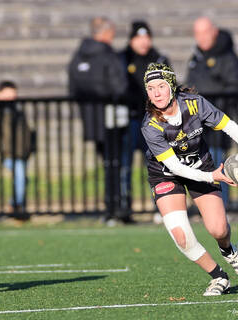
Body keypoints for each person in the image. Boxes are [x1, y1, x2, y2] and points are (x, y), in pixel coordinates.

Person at [141, 62, 238, 296]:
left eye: (161, 86)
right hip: (166, 175)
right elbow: (175, 167)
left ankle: (230, 253)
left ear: (172, 86)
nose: (156, 93)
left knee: (218, 230)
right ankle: (218, 277)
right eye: (151, 88)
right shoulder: (150, 126)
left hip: (200, 165)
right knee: (181, 234)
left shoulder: (195, 104)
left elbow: (230, 127)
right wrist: (213, 176)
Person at [68, 16, 127, 222]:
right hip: (111, 118)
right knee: (116, 163)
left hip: (91, 119)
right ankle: (116, 208)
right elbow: (119, 85)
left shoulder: (78, 54)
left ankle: (110, 208)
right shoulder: (107, 54)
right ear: (106, 32)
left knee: (107, 163)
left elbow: (73, 87)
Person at [118, 20, 170, 222]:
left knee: (157, 164)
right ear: (132, 40)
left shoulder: (159, 58)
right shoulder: (123, 58)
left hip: (153, 120)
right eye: (139, 38)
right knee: (126, 164)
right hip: (131, 119)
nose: (143, 42)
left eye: (146, 37)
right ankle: (125, 209)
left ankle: (161, 207)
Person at [186, 16, 238, 208]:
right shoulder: (196, 56)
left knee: (219, 164)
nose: (201, 38)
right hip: (197, 123)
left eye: (205, 32)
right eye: (197, 34)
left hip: (218, 120)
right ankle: (205, 206)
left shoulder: (226, 56)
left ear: (214, 32)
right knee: (200, 163)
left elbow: (233, 85)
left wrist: (211, 101)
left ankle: (221, 206)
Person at [0, 81, 32, 214]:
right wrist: (3, 150)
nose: (11, 97)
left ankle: (15, 205)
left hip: (21, 151)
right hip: (9, 152)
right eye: (7, 94)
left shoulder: (16, 108)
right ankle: (17, 206)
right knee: (20, 177)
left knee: (22, 178)